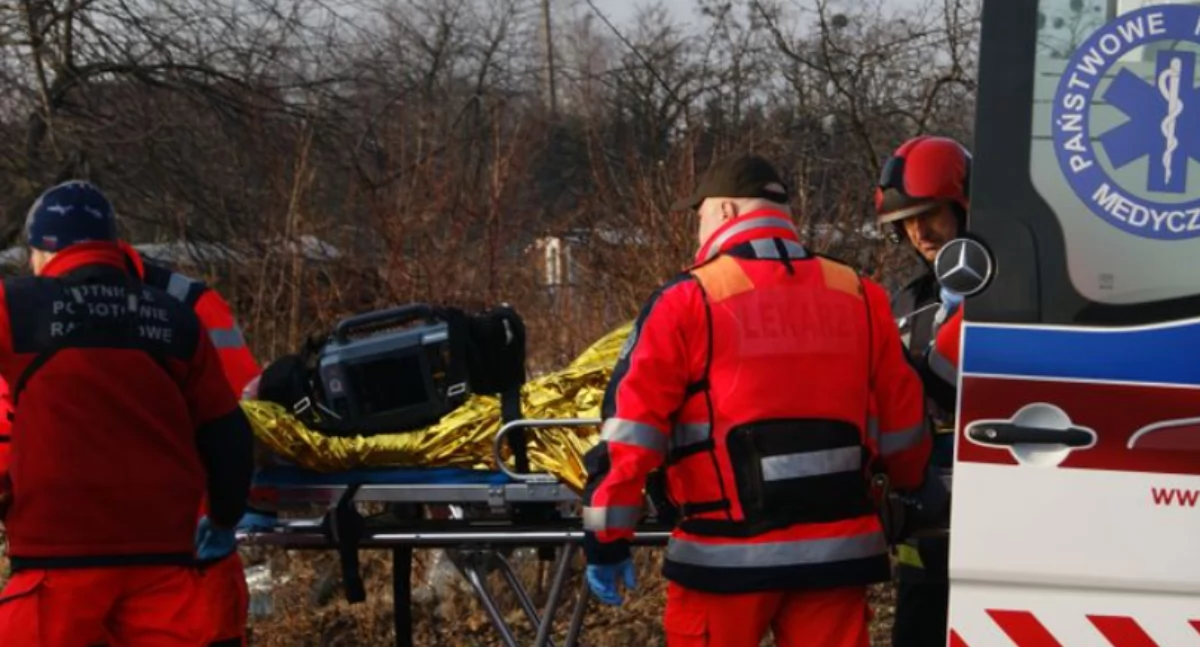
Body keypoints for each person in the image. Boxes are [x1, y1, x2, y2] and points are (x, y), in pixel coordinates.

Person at [581, 154, 932, 647]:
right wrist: (909, 487)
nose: (696, 229)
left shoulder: (689, 300)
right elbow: (904, 423)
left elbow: (631, 432)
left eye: (698, 214)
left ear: (725, 212)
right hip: (835, 559)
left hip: (724, 563)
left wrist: (605, 538)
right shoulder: (860, 293)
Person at [0, 180, 255, 646]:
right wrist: (222, 518)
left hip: (57, 569)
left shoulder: (15, 305)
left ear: (42, 251)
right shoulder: (176, 318)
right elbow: (229, 436)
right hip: (166, 568)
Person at [119, 243, 261, 647]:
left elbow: (245, 415)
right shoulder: (189, 304)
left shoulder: (38, 317)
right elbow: (244, 419)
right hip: (193, 559)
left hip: (157, 566)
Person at [873, 134, 971, 647]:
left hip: (994, 513)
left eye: (929, 213)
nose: (918, 231)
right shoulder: (906, 303)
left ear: (962, 206)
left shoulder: (1010, 292)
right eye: (906, 220)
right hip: (923, 526)